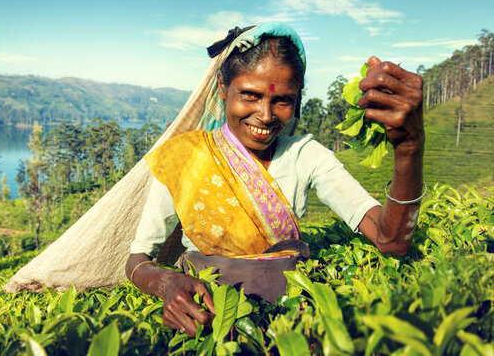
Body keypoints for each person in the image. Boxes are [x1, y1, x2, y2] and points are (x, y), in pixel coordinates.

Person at [125, 21, 424, 336]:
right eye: (250, 95)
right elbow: (137, 261)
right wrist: (168, 284)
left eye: (281, 100)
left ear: (296, 99)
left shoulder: (305, 156)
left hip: (286, 325)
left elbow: (390, 240)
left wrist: (408, 149)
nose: (266, 116)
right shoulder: (184, 157)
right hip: (204, 327)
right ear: (223, 87)